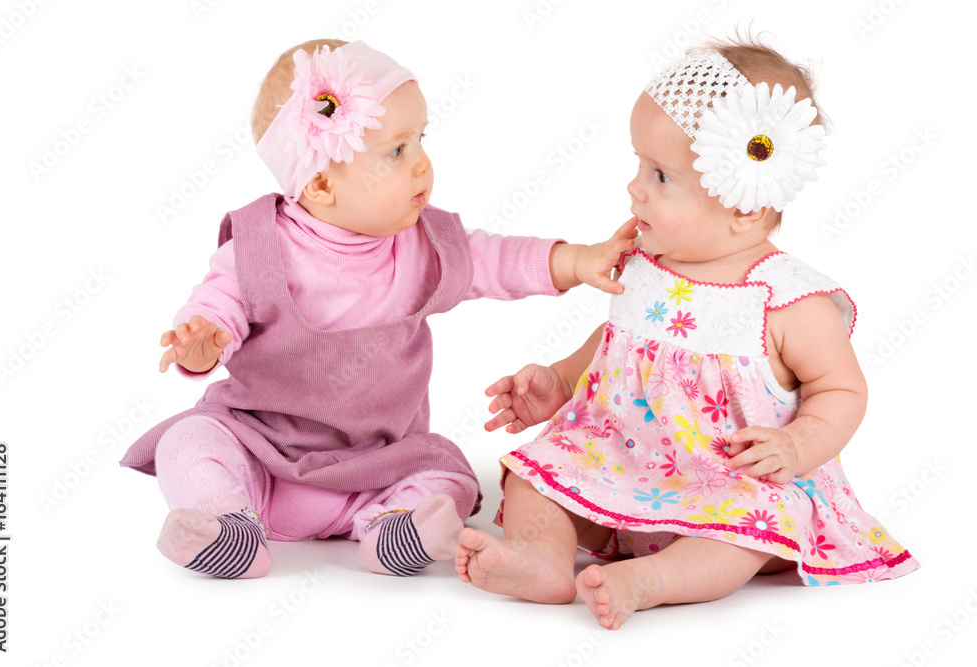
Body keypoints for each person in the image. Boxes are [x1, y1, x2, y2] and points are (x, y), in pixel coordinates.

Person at [120, 38, 635, 579]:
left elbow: (494, 259)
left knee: (452, 475)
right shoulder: (257, 249)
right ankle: (225, 524)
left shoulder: (422, 246)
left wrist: (578, 261)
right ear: (319, 184)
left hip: (377, 463)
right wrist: (201, 342)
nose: (422, 166)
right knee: (189, 439)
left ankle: (393, 528)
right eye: (396, 152)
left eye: (419, 141)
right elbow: (215, 306)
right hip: (261, 450)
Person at [455, 38, 919, 629]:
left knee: (754, 526)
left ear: (745, 204)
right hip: (625, 467)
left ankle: (651, 581)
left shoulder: (786, 300)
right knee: (536, 472)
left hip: (730, 485)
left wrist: (796, 447)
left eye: (660, 175)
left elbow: (843, 390)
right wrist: (561, 379)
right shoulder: (644, 261)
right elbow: (615, 342)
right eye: (638, 166)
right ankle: (542, 558)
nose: (634, 189)